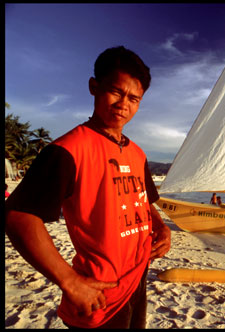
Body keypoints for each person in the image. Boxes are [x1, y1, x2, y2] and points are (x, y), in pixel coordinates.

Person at [5, 46, 171, 329]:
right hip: (99, 292)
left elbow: (143, 199)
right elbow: (19, 216)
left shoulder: (138, 154)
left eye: (134, 99)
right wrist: (69, 281)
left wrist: (161, 226)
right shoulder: (68, 150)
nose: (123, 105)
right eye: (116, 92)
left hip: (137, 278)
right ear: (94, 87)